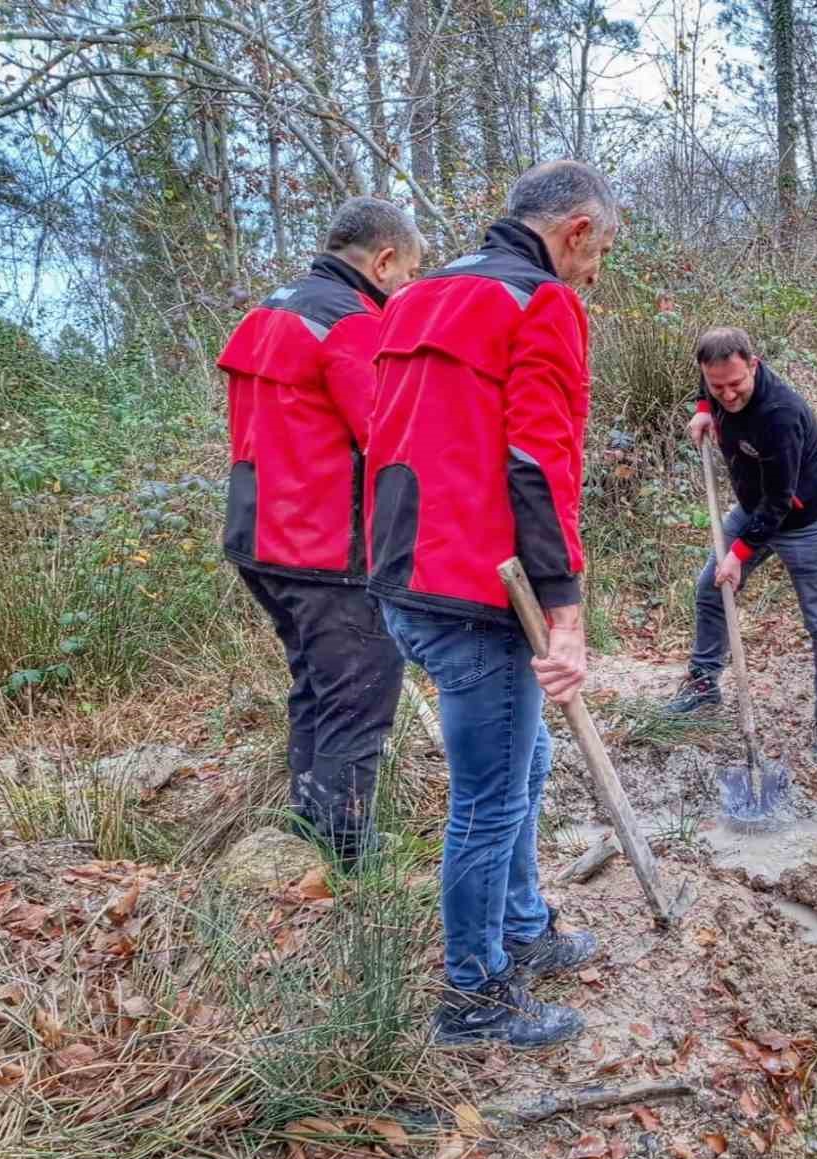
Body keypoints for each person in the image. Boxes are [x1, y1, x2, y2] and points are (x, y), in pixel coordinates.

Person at [365, 161, 616, 1049]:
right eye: (599, 252)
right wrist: (567, 611)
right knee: (489, 800)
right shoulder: (539, 302)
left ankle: (521, 926)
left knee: (525, 767)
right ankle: (474, 996)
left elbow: (388, 436)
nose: (593, 272)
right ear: (576, 231)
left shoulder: (416, 297)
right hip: (476, 587)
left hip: (402, 574)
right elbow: (541, 463)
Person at [218, 198, 423, 865]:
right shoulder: (348, 322)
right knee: (361, 691)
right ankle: (347, 858)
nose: (407, 289)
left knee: (317, 683)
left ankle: (311, 826)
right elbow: (386, 436)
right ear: (384, 259)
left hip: (260, 539)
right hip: (323, 545)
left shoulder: (273, 309)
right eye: (409, 273)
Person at [667, 328, 817, 761]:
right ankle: (703, 684)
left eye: (736, 384)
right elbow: (709, 386)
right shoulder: (716, 378)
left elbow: (779, 502)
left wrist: (739, 554)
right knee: (710, 587)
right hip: (756, 506)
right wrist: (702, 408)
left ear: (754, 364)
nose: (727, 395)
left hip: (806, 518)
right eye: (717, 387)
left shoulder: (779, 414)